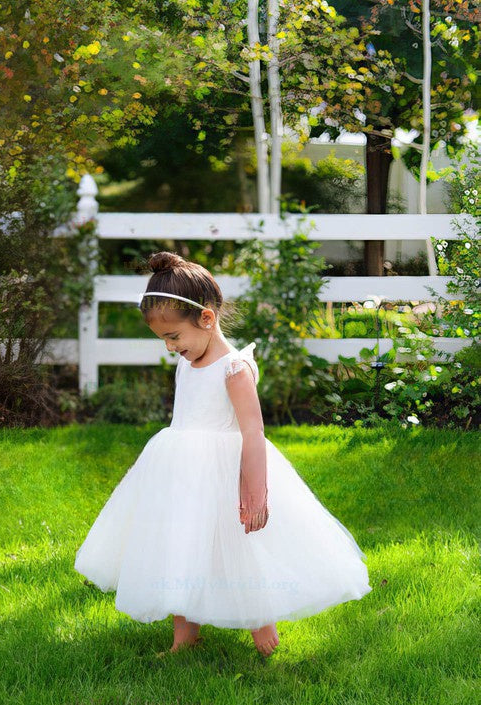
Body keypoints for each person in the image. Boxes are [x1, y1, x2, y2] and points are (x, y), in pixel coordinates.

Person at [74, 251, 372, 657]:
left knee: (239, 545)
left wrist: (255, 492)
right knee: (179, 542)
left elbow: (253, 432)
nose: (169, 347)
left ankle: (260, 620)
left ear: (207, 320)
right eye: (163, 339)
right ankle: (185, 634)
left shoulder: (234, 369)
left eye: (173, 337)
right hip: (180, 473)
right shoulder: (188, 359)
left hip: (226, 473)